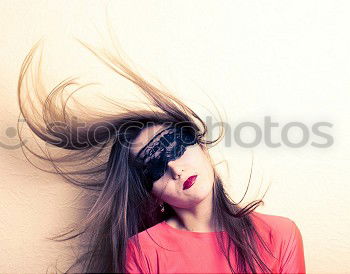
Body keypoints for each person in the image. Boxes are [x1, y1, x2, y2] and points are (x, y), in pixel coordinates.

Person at [17, 35, 306, 273]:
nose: (175, 169)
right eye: (154, 166)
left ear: (201, 146)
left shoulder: (279, 235)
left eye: (175, 145)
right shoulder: (143, 251)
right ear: (150, 192)